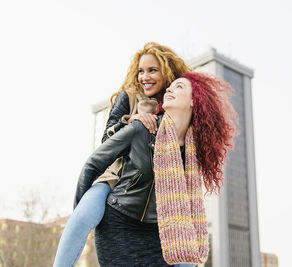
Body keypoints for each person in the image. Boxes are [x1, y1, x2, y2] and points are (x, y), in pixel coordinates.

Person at [74, 72, 237, 266]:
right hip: (119, 225)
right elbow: (93, 164)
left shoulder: (194, 152)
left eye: (179, 87)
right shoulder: (142, 128)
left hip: (160, 234)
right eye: (171, 86)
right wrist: (80, 212)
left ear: (195, 101)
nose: (169, 89)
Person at [53, 42, 192, 267]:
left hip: (156, 195)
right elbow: (106, 144)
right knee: (80, 219)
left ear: (167, 72)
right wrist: (131, 121)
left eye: (152, 70)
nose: (144, 77)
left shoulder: (175, 103)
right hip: (115, 178)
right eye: (141, 71)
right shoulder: (128, 97)